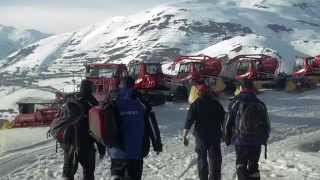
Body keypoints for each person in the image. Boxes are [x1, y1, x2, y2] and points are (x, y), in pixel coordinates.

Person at [109, 76, 163, 180]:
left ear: (121, 85)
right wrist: (157, 144)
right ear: (133, 85)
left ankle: (116, 175)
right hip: (136, 151)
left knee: (117, 174)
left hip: (116, 152)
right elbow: (151, 123)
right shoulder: (140, 101)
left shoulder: (113, 100)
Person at [224, 79, 270, 180]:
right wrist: (264, 139)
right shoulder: (260, 103)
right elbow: (266, 123)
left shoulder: (236, 102)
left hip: (240, 141)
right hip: (256, 141)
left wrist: (227, 138)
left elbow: (228, 121)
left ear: (241, 88)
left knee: (241, 165)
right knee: (254, 166)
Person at [62, 79, 106, 180]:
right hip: (86, 143)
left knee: (68, 173)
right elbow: (97, 127)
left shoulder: (72, 99)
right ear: (89, 88)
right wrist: (101, 148)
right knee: (88, 172)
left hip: (69, 143)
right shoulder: (92, 102)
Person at [183, 84, 226, 180]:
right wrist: (225, 133)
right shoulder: (216, 104)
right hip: (214, 136)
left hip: (200, 137)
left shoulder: (195, 104)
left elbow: (189, 121)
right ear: (209, 93)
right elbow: (224, 120)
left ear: (199, 93)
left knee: (202, 158)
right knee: (215, 160)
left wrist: (184, 136)